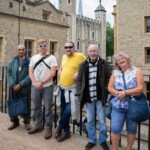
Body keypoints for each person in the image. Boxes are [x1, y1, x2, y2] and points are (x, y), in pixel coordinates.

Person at [77, 44, 111, 150]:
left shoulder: (104, 63)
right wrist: (79, 92)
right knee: (90, 120)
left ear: (97, 52)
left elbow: (108, 77)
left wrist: (105, 89)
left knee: (102, 120)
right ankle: (92, 140)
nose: (92, 53)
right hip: (89, 97)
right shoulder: (83, 65)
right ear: (88, 52)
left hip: (100, 97)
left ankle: (102, 140)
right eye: (91, 51)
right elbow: (79, 80)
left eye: (94, 51)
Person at [108, 51, 144, 150]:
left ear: (127, 59)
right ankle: (115, 149)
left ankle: (128, 148)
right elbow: (110, 87)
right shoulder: (115, 73)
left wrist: (125, 93)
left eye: (122, 58)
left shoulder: (136, 71)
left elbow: (140, 88)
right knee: (115, 129)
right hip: (118, 106)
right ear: (117, 64)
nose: (121, 61)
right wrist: (117, 93)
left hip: (133, 105)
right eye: (118, 60)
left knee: (131, 129)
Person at [55, 41, 86, 142]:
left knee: (69, 110)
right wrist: (60, 71)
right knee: (63, 110)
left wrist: (79, 72)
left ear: (74, 47)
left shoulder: (80, 56)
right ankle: (67, 132)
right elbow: (62, 67)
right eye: (66, 47)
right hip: (63, 89)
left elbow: (87, 66)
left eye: (70, 47)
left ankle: (59, 127)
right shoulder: (64, 57)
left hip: (73, 90)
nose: (68, 49)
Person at [28, 39, 57, 139]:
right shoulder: (34, 57)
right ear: (37, 47)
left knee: (48, 107)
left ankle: (48, 126)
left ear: (47, 46)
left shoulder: (52, 58)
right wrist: (35, 82)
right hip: (35, 86)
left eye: (44, 45)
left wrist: (41, 82)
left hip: (47, 86)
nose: (42, 47)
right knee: (36, 106)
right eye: (40, 46)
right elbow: (30, 71)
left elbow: (53, 73)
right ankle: (38, 125)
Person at [7, 44, 31, 130]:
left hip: (24, 88)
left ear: (25, 50)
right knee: (14, 104)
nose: (21, 51)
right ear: (17, 50)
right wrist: (13, 84)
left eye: (23, 49)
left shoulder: (29, 61)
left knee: (26, 104)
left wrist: (20, 84)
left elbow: (30, 75)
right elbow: (8, 72)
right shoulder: (13, 60)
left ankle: (27, 122)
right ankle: (15, 122)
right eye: (19, 49)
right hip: (13, 87)